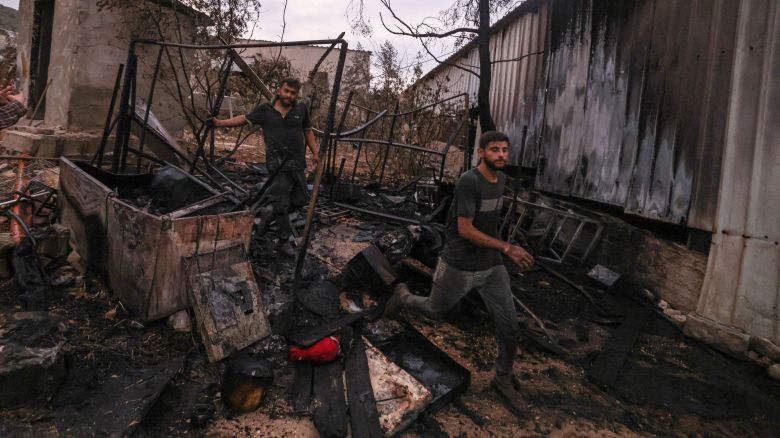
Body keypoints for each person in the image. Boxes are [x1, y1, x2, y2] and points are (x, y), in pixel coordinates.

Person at [384, 130, 535, 414]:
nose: (501, 155)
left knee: (509, 326)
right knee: (434, 310)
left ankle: (502, 378)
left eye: (505, 150)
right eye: (494, 150)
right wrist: (506, 248)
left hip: (491, 266)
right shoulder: (469, 182)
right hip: (459, 264)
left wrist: (505, 254)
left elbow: (489, 224)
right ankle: (402, 296)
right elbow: (465, 229)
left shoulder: (501, 180)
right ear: (481, 153)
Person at [210, 78, 319, 256]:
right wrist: (219, 123)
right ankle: (284, 242)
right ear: (278, 90)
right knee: (282, 204)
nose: (289, 95)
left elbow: (308, 131)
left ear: (296, 94)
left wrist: (315, 152)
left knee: (301, 199)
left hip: (297, 163)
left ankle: (268, 212)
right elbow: (243, 119)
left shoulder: (301, 109)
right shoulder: (265, 110)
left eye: (293, 93)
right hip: (276, 165)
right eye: (286, 91)